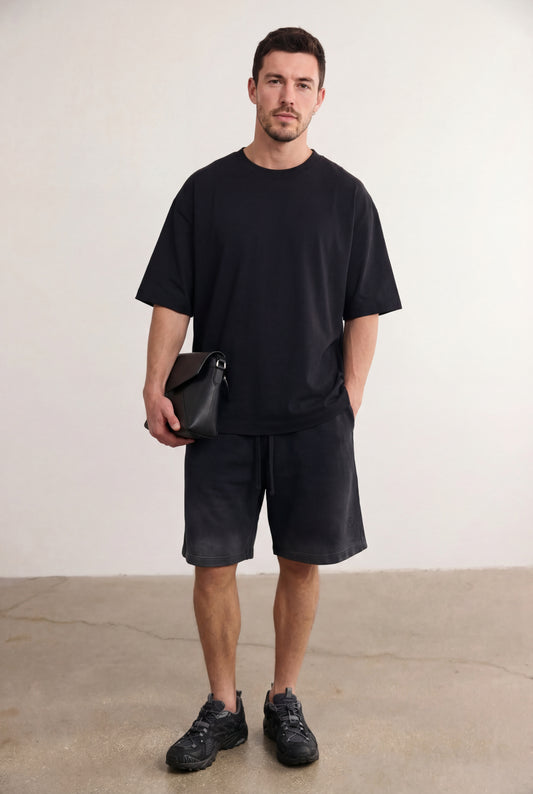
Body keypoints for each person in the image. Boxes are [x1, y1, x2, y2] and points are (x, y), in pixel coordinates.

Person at [136, 26, 401, 772]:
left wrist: (349, 400)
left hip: (315, 419)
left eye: (302, 84)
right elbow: (171, 298)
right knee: (213, 565)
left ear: (320, 97)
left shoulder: (346, 197)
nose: (288, 96)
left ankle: (284, 697)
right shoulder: (206, 191)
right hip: (220, 416)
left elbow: (365, 308)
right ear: (252, 89)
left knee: (300, 563)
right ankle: (223, 708)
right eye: (275, 81)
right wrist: (154, 384)